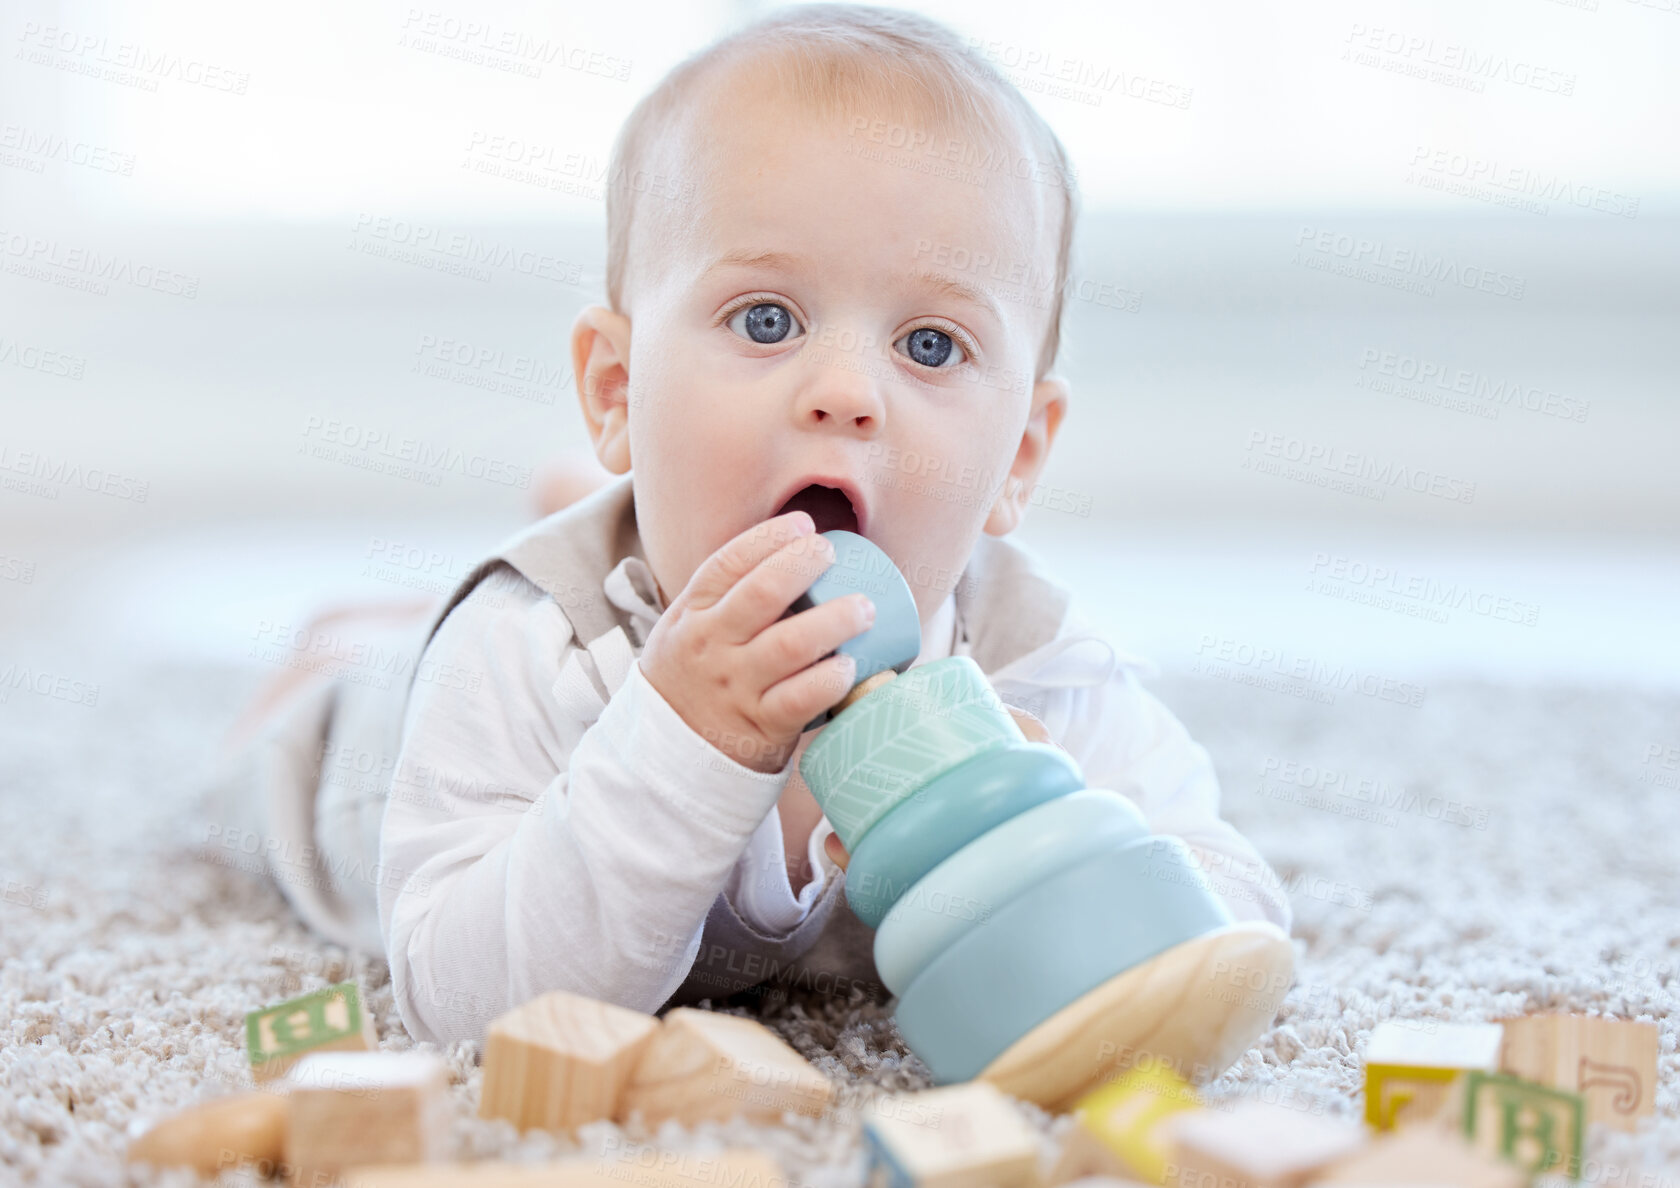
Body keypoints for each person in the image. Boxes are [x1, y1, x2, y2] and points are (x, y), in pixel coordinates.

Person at [202, 4, 1290, 1046]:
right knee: (310, 731)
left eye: (928, 346)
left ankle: (600, 499)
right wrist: (682, 737)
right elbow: (467, 1002)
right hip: (382, 750)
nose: (846, 391)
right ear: (620, 388)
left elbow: (1232, 913)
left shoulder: (1036, 669)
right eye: (766, 320)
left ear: (1016, 460)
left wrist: (1074, 833)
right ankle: (353, 642)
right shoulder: (534, 651)